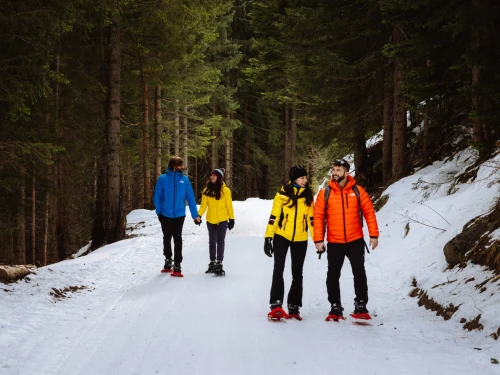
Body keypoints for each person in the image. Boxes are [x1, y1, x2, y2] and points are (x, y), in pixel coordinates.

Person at [313, 159, 379, 318]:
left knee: (359, 272)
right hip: (335, 242)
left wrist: (374, 235)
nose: (334, 173)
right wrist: (318, 240)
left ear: (346, 173)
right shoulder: (325, 192)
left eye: (338, 170)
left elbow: (369, 212)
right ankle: (335, 305)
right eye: (333, 170)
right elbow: (318, 216)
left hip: (355, 240)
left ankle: (361, 304)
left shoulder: (358, 191)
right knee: (333, 274)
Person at [264, 165, 314, 319]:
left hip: (300, 238)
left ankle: (294, 305)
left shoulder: (308, 196)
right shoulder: (282, 195)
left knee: (297, 273)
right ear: (294, 179)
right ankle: (276, 303)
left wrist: (318, 239)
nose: (305, 180)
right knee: (278, 268)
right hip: (282, 236)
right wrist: (268, 238)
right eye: (302, 178)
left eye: (305, 178)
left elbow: (312, 220)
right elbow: (274, 217)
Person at [153, 156, 201, 275]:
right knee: (167, 237)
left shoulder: (184, 180)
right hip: (165, 214)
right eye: (180, 165)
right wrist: (159, 211)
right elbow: (157, 196)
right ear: (174, 166)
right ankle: (168, 259)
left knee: (177, 237)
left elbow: (190, 198)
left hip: (179, 214)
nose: (182, 167)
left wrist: (196, 215)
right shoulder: (163, 179)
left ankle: (178, 263)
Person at [198, 168, 235, 276]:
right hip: (211, 220)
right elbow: (203, 206)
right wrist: (198, 216)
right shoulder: (206, 190)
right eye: (211, 175)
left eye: (214, 175)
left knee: (220, 241)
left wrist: (232, 219)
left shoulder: (226, 191)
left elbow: (229, 206)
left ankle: (219, 262)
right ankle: (212, 262)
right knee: (212, 242)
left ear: (219, 178)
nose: (212, 177)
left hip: (223, 220)